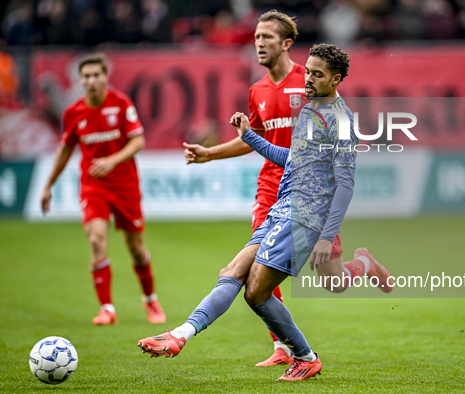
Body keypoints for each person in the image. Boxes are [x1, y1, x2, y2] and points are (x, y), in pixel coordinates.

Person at [138, 44, 387, 381]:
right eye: (308, 71)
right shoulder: (313, 111)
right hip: (280, 207)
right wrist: (249, 136)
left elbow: (345, 184)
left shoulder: (339, 121)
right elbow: (290, 159)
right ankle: (180, 335)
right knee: (235, 273)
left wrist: (327, 236)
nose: (309, 80)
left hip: (304, 215)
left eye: (318, 74)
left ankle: (303, 356)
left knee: (256, 291)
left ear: (336, 79)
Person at [40, 53, 166, 326]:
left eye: (96, 75)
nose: (92, 80)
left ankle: (150, 300)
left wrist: (111, 160)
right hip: (93, 185)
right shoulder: (74, 112)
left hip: (124, 184)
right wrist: (48, 185)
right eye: (86, 76)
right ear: (80, 80)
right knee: (96, 240)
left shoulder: (120, 104)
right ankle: (107, 308)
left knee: (135, 247)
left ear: (105, 76)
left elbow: (138, 141)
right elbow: (64, 150)